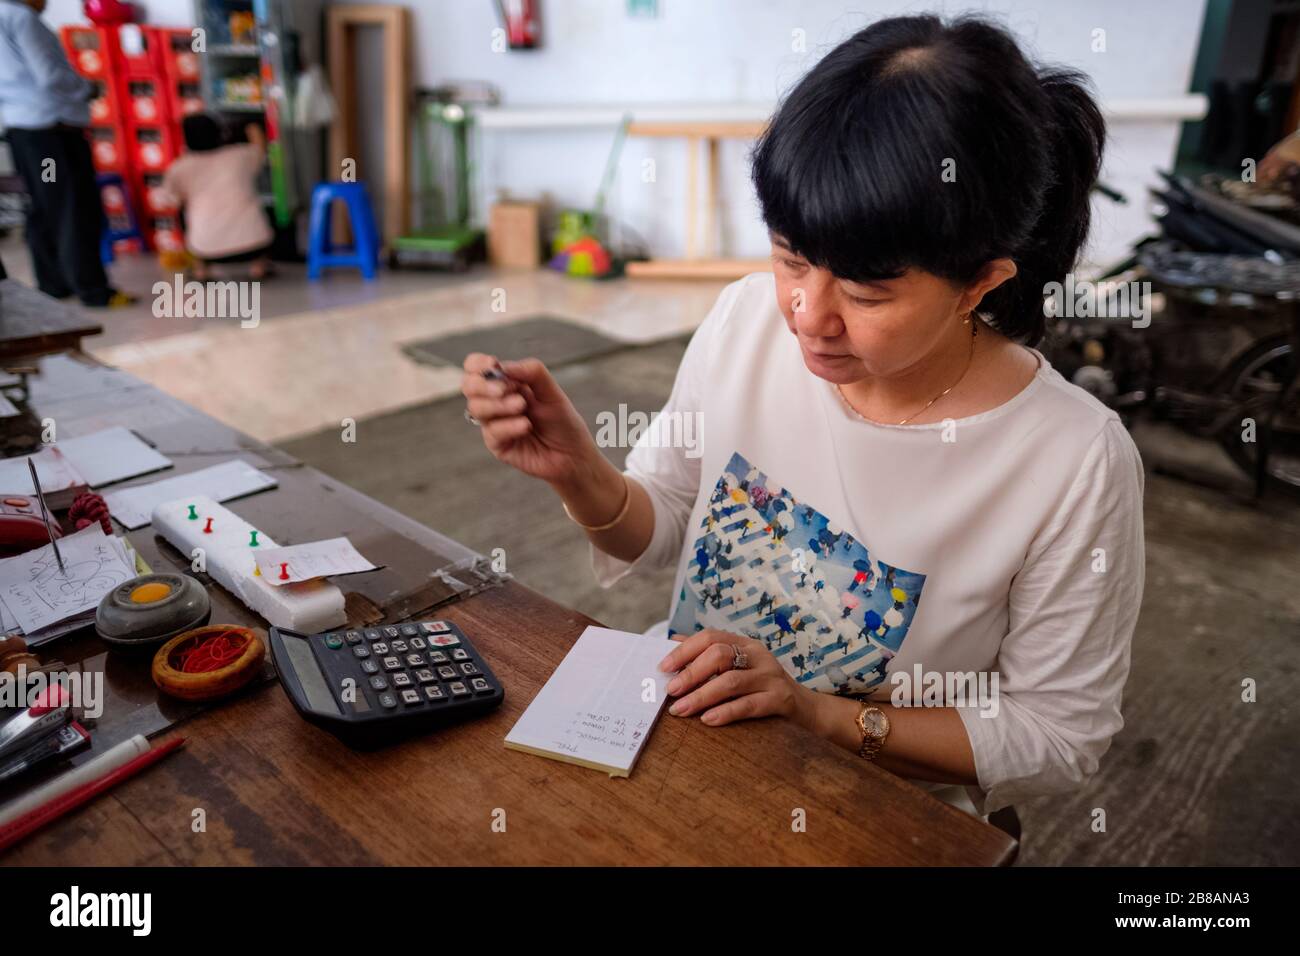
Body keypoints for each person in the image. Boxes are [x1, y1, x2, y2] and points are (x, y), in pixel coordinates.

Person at [460, 15, 1145, 816]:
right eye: (790, 256)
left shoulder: (1072, 459)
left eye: (865, 293)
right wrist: (580, 473)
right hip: (679, 742)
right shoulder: (744, 319)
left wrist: (818, 715)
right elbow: (663, 526)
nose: (806, 315)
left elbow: (1057, 734)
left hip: (866, 810)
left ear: (979, 284)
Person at [0, 0, 134, 306]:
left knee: (43, 206)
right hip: (50, 133)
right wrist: (87, 89)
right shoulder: (21, 18)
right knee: (72, 207)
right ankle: (92, 289)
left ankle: (54, 285)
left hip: (22, 130)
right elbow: (50, 75)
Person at [159, 114, 273, 280]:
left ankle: (201, 270)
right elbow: (260, 149)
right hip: (255, 245)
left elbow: (168, 201)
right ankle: (259, 267)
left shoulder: (179, 168)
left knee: (184, 211)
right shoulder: (240, 156)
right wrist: (251, 125)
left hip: (205, 248)